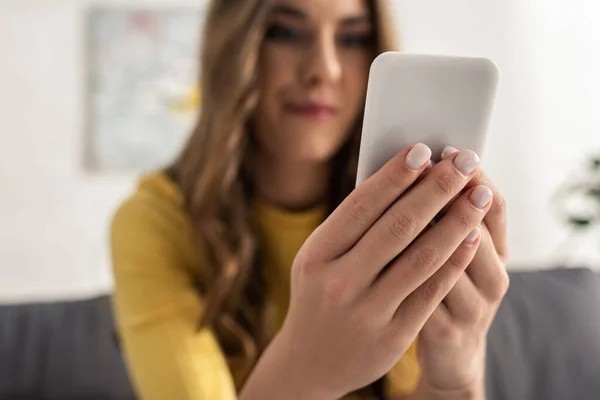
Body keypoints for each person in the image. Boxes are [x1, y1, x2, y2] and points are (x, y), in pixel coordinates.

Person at [110, 0, 510, 399]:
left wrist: (454, 379)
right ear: (231, 49)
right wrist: (306, 365)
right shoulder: (153, 223)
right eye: (286, 33)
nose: (325, 69)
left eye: (352, 38)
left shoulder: (407, 220)